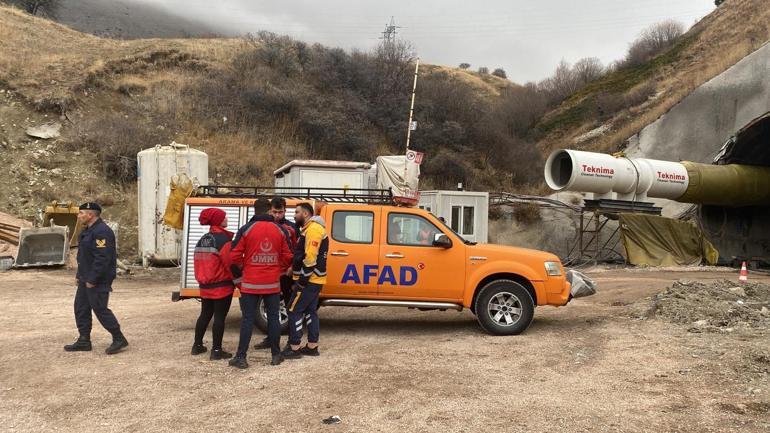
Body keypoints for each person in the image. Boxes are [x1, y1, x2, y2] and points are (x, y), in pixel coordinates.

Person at [228, 199, 293, 368]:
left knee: (248, 319)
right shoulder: (280, 230)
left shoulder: (246, 229)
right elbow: (288, 256)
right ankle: (276, 355)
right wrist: (276, 266)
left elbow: (233, 256)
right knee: (273, 318)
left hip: (251, 282)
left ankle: (241, 357)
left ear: (254, 211)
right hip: (272, 283)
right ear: (269, 210)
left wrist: (246, 267)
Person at [64, 202, 128, 355]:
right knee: (81, 308)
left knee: (100, 309)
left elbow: (102, 259)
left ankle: (119, 338)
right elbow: (84, 257)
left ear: (90, 215)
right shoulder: (87, 231)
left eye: (81, 213)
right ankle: (84, 340)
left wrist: (92, 279)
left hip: (98, 279)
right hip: (86, 278)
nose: (79, 216)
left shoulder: (102, 232)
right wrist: (80, 276)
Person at [282, 202, 328, 359]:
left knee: (293, 310)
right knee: (310, 311)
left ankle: (294, 347)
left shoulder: (314, 229)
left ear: (306, 214)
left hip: (309, 280)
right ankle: (312, 346)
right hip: (315, 279)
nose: (294, 215)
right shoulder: (309, 229)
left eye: (297, 212)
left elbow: (310, 258)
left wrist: (302, 280)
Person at [191, 208, 235, 360]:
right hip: (221, 286)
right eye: (224, 217)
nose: (226, 218)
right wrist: (239, 281)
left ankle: (197, 345)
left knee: (205, 314)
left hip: (205, 286)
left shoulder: (203, 239)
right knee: (220, 318)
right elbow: (230, 264)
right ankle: (216, 351)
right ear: (218, 220)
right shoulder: (223, 240)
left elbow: (197, 262)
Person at [254, 197, 297, 351]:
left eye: (280, 212)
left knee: (289, 307)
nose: (277, 215)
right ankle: (271, 338)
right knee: (269, 310)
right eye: (274, 212)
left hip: (285, 275)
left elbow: (297, 251)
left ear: (285, 211)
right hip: (269, 274)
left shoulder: (292, 228)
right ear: (269, 210)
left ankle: (292, 342)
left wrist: (292, 267)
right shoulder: (264, 225)